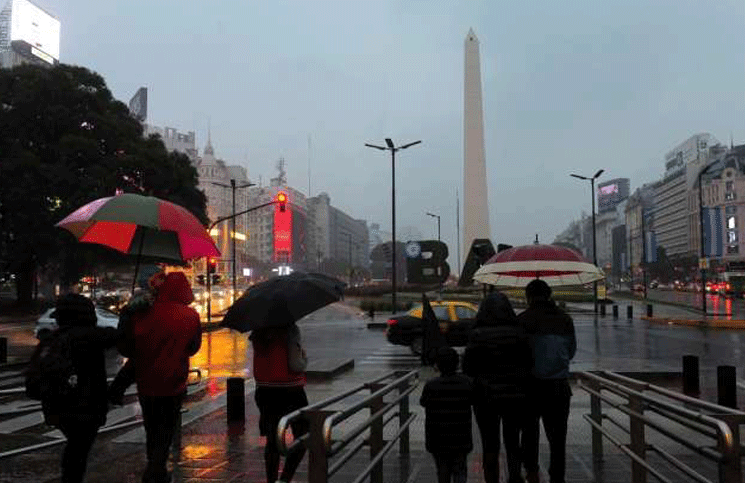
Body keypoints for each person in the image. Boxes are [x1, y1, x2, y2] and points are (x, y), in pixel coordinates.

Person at [124, 271, 201, 483]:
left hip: (147, 383)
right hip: (174, 383)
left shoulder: (144, 312)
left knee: (151, 428)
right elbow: (194, 348)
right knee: (166, 430)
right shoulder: (190, 316)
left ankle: (154, 466)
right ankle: (156, 470)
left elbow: (133, 346)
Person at [43, 294, 119, 483]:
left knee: (75, 446)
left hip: (56, 405)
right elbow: (118, 335)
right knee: (78, 450)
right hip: (86, 406)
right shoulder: (89, 336)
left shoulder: (54, 338)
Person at [462, 291, 532, 483]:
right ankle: (515, 477)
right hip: (515, 396)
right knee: (513, 442)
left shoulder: (477, 335)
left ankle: (491, 478)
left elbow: (468, 368)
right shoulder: (519, 333)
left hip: (485, 397)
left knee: (489, 444)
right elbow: (528, 364)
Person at [518, 279, 577, 483]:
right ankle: (557, 476)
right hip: (559, 387)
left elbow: (519, 356)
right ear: (549, 294)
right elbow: (571, 352)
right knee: (558, 438)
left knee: (529, 434)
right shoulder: (565, 319)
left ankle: (532, 472)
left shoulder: (523, 320)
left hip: (530, 387)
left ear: (529, 297)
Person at [251, 302, 309, 483]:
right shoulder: (290, 330)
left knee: (273, 440)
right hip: (291, 391)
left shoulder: (258, 333)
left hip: (265, 392)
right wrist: (304, 357)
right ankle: (285, 479)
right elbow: (295, 365)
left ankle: (271, 480)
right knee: (304, 436)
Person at [109, 268, 167, 406]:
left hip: (145, 369)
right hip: (168, 377)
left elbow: (125, 345)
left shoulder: (134, 311)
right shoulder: (165, 308)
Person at [420, 346, 474, 483]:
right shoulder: (467, 383)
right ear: (457, 364)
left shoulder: (431, 386)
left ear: (438, 365)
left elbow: (424, 402)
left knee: (442, 471)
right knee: (460, 470)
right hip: (461, 437)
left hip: (438, 438)